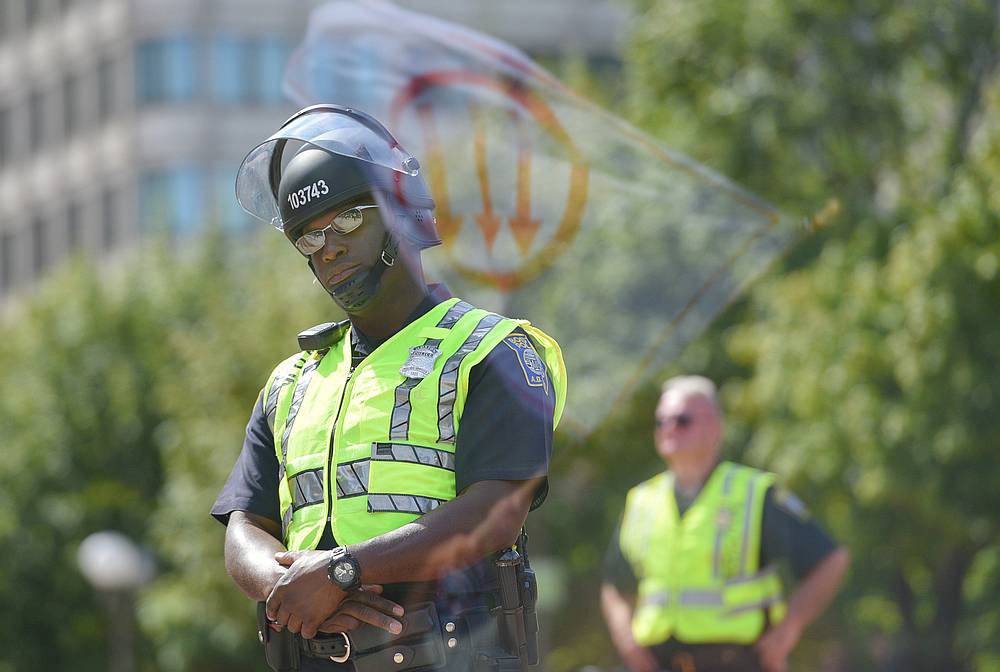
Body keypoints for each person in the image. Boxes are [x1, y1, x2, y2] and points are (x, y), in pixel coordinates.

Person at [211, 104, 567, 672]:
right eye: (308, 237)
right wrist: (291, 589)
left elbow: (499, 511)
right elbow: (245, 527)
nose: (327, 248)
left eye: (346, 220)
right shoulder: (291, 383)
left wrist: (341, 571)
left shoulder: (492, 351)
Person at [601, 376, 849, 672]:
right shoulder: (641, 500)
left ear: (715, 427)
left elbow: (832, 559)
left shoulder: (755, 493)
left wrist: (788, 629)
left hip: (735, 661)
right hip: (659, 662)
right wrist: (627, 640)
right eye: (661, 421)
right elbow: (615, 585)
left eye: (682, 419)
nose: (669, 428)